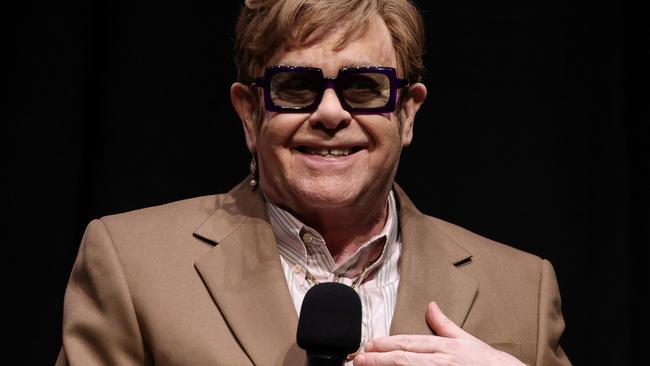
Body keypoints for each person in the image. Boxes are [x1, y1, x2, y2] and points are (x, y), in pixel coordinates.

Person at [56, 0, 571, 365]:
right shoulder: (133, 265)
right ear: (250, 114)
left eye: (363, 87)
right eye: (296, 87)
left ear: (407, 113)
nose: (330, 113)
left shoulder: (523, 288)